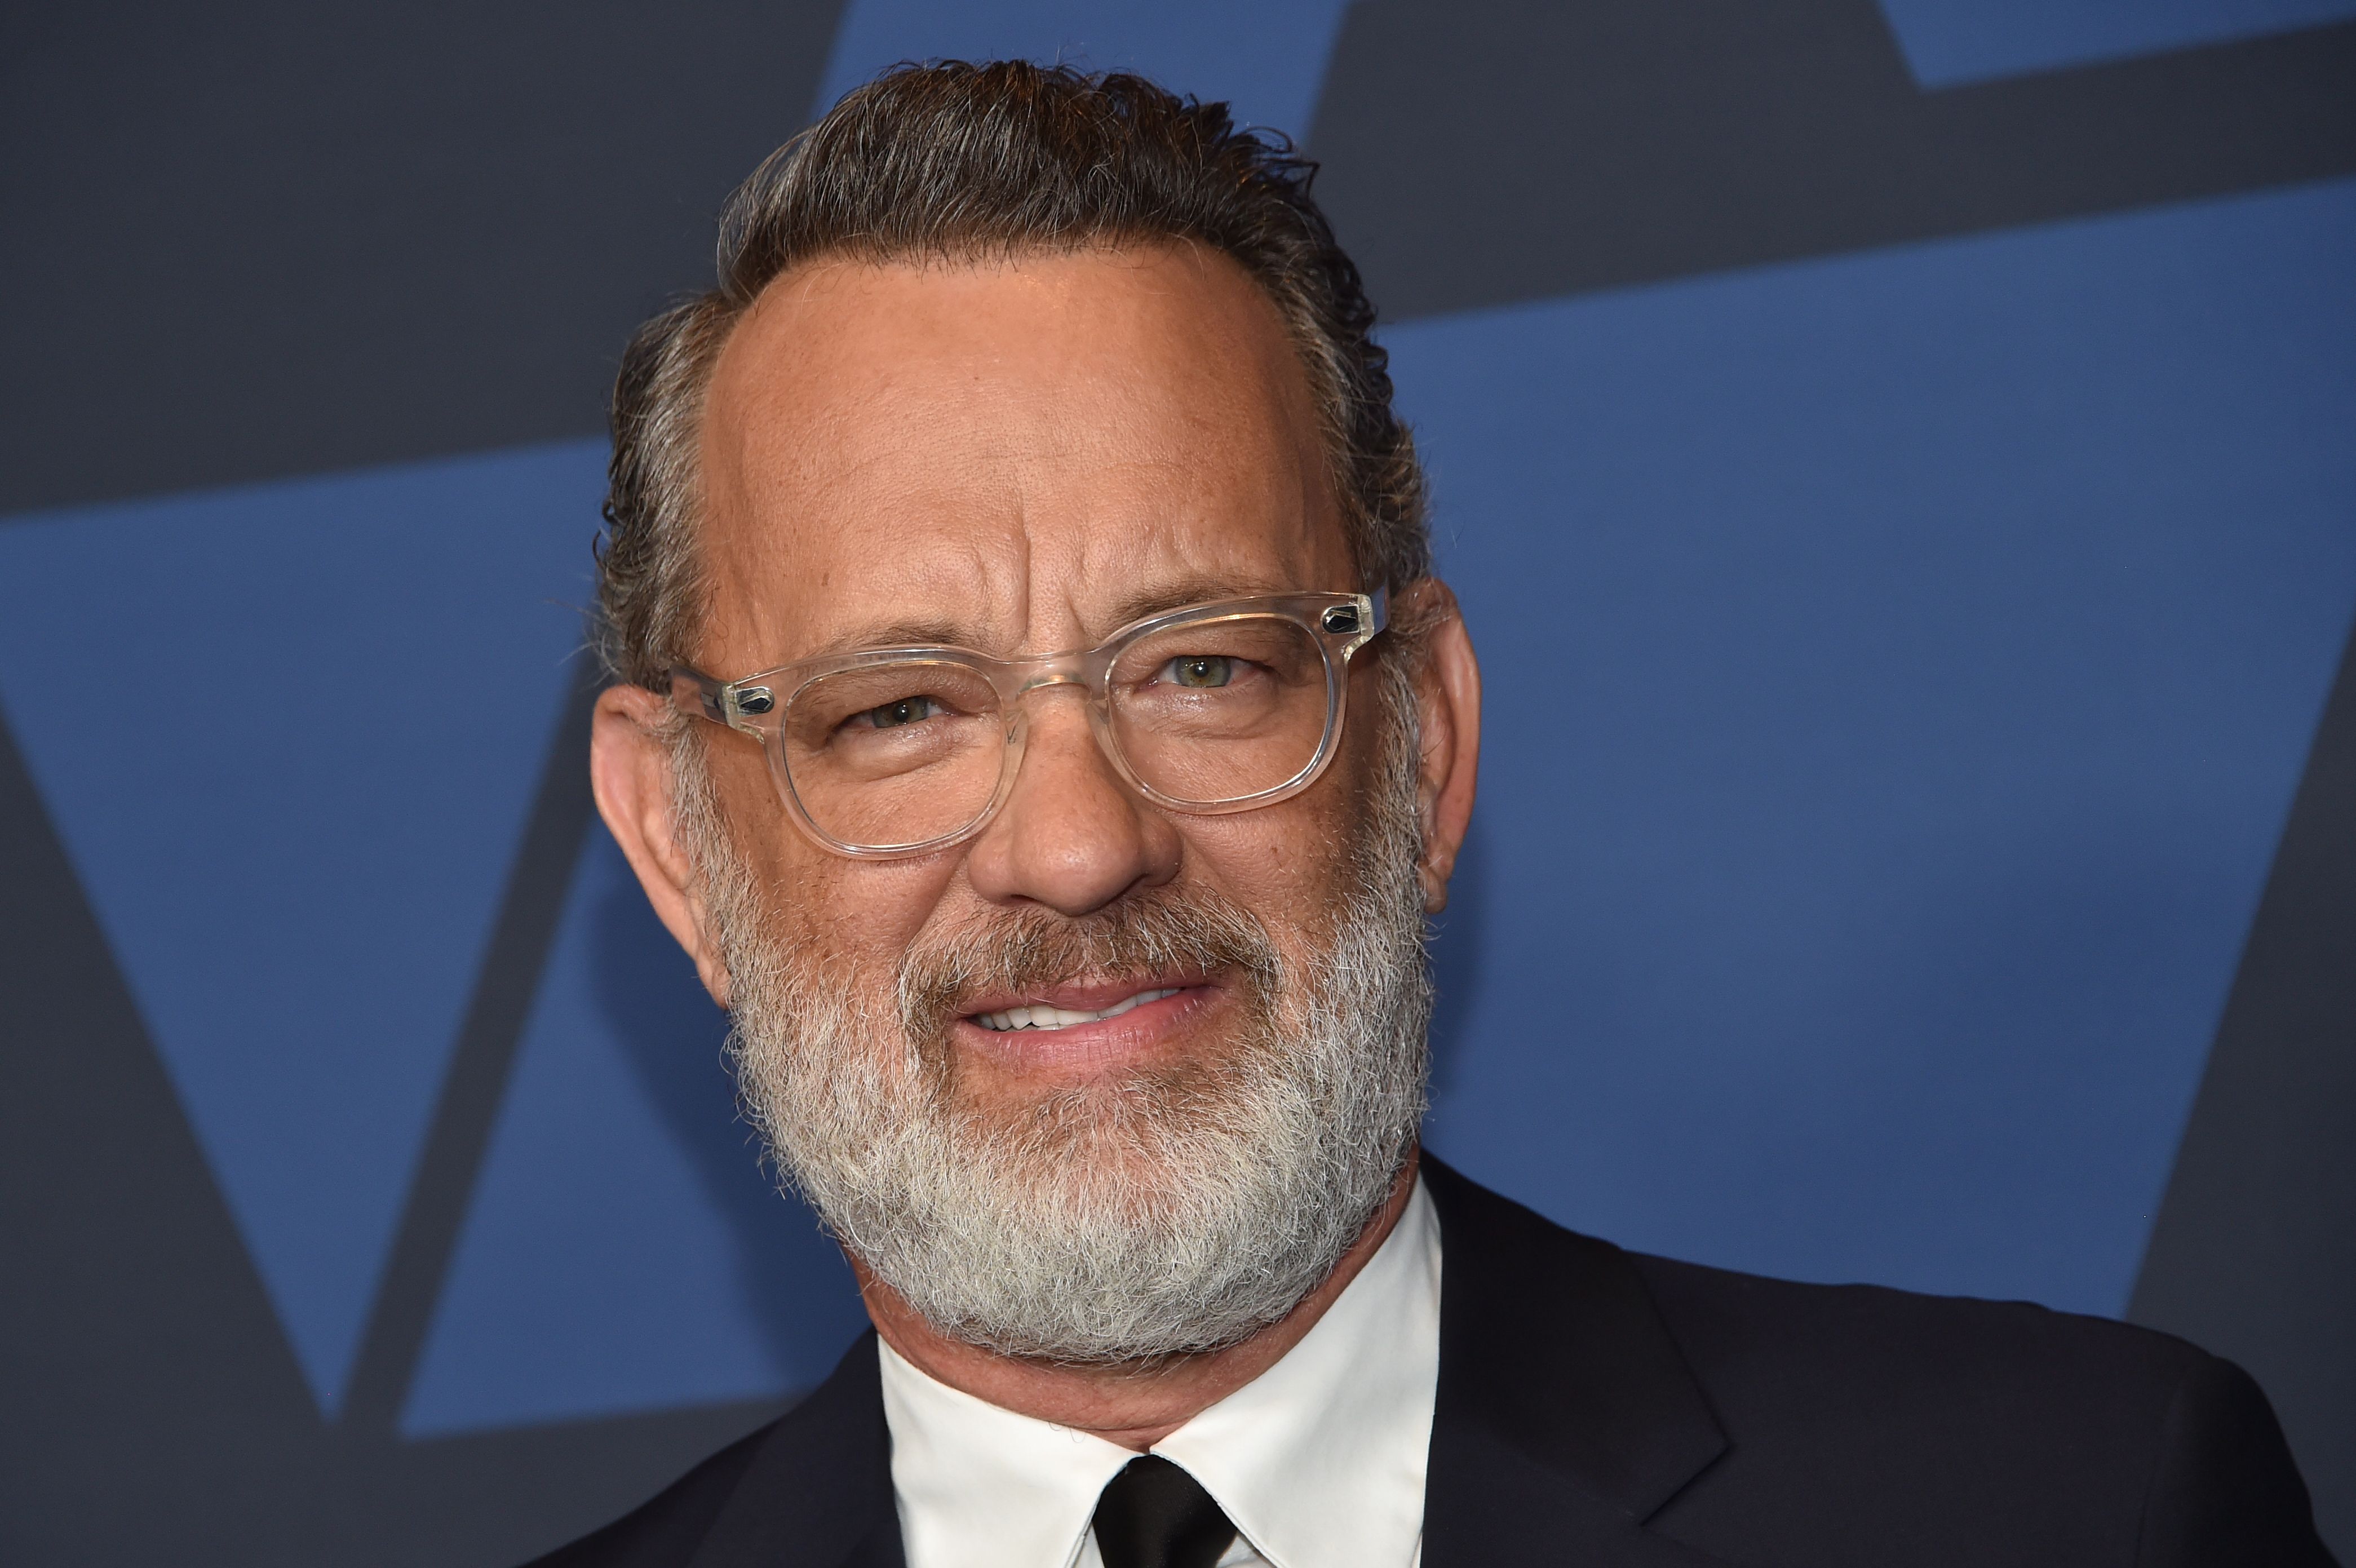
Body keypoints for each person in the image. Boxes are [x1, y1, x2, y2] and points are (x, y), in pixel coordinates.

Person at [543, 61, 2329, 1568]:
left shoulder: (2067, 1512)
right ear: (681, 841)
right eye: (901, 711)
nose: (1078, 849)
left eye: (1204, 668)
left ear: (1424, 740)